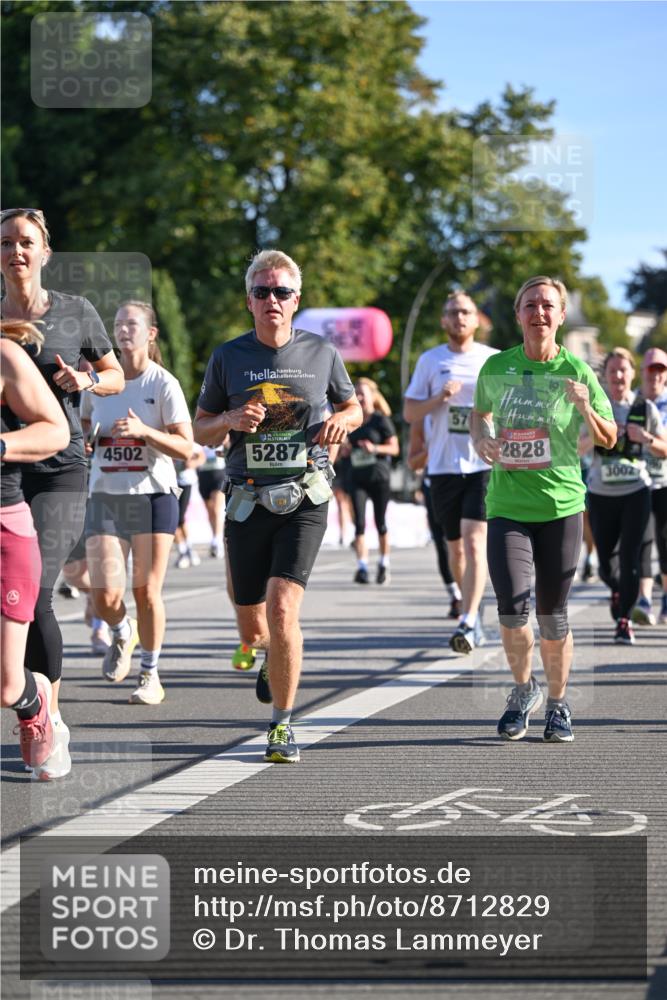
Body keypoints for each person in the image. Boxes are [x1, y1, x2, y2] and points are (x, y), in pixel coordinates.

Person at [194, 249, 362, 764]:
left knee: (284, 604)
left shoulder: (322, 352)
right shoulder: (228, 357)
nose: (272, 300)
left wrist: (344, 422)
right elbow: (199, 428)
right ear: (249, 301)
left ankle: (282, 725)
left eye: (282, 292)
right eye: (262, 292)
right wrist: (229, 420)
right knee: (253, 623)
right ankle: (266, 653)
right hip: (246, 498)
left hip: (305, 493)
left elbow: (353, 406)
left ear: (296, 300)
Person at [0, 207, 124, 779]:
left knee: (38, 591)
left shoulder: (75, 311)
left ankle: (46, 712)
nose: (15, 252)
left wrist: (89, 380)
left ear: (44, 252)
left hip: (57, 467)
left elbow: (116, 374)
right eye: (5, 243)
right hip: (6, 475)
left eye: (26, 242)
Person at [472, 275, 616, 743]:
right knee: (512, 610)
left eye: (548, 306)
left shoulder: (579, 371)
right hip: (508, 504)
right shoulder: (496, 367)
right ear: (518, 315)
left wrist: (586, 407)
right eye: (530, 304)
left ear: (559, 315)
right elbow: (479, 414)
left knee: (553, 616)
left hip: (560, 506)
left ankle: (558, 703)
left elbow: (608, 437)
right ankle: (522, 691)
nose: (539, 313)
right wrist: (480, 437)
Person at [81, 301, 193, 704]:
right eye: (118, 325)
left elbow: (186, 448)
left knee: (147, 590)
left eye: (132, 324)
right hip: (106, 498)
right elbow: (81, 432)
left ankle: (150, 674)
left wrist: (145, 431)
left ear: (150, 333)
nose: (123, 330)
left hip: (152, 495)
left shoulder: (162, 384)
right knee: (104, 597)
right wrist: (87, 442)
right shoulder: (97, 383)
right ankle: (121, 630)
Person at [403, 290, 497, 653]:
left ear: (476, 321)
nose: (459, 318)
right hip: (442, 468)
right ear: (443, 321)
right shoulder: (430, 361)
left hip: (481, 464)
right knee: (454, 551)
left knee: (475, 541)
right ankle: (469, 602)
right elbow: (411, 414)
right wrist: (439, 399)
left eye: (465, 312)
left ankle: (469, 620)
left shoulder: (492, 360)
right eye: (452, 312)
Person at [1, 321, 70, 773]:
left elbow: (54, 431)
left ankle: (33, 700)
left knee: (6, 686)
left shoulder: (4, 356)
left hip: (5, 527)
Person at [582, 347, 667, 643]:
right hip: (601, 493)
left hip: (637, 491)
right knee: (606, 562)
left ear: (632, 374)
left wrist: (644, 438)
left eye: (623, 370)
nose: (618, 376)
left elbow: (665, 449)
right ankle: (617, 588)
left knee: (632, 556)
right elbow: (577, 447)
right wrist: (600, 434)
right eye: (612, 371)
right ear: (604, 376)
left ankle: (624, 620)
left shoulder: (645, 408)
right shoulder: (595, 407)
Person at [345, 377, 399, 584]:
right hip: (356, 477)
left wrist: (375, 448)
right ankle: (362, 568)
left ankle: (384, 563)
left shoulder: (381, 420)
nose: (358, 397)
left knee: (380, 523)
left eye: (362, 394)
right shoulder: (352, 421)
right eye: (355, 393)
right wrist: (344, 450)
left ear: (372, 397)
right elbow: (343, 448)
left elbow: (395, 448)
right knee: (358, 524)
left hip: (379, 477)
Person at [407, 416, 462, 618]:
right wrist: (432, 451)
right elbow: (413, 462)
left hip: (469, 483)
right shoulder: (423, 416)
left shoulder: (469, 403)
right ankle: (456, 596)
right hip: (435, 487)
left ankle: (471, 600)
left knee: (467, 546)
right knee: (443, 544)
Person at [632, 347, 667, 624]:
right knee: (642, 542)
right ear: (642, 371)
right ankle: (644, 599)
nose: (655, 375)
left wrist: (647, 439)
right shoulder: (632, 402)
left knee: (665, 544)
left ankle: (665, 596)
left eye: (661, 370)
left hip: (665, 481)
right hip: (636, 482)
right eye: (651, 369)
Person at [174, 444, 205, 569]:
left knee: (180, 518)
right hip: (168, 483)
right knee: (172, 520)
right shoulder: (162, 435)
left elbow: (201, 457)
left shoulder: (189, 440)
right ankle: (182, 551)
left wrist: (192, 464)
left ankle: (189, 550)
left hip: (185, 481)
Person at [197, 446, 227, 558]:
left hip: (219, 472)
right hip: (203, 473)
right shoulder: (200, 430)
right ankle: (215, 537)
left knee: (216, 509)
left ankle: (217, 542)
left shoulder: (220, 429)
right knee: (209, 511)